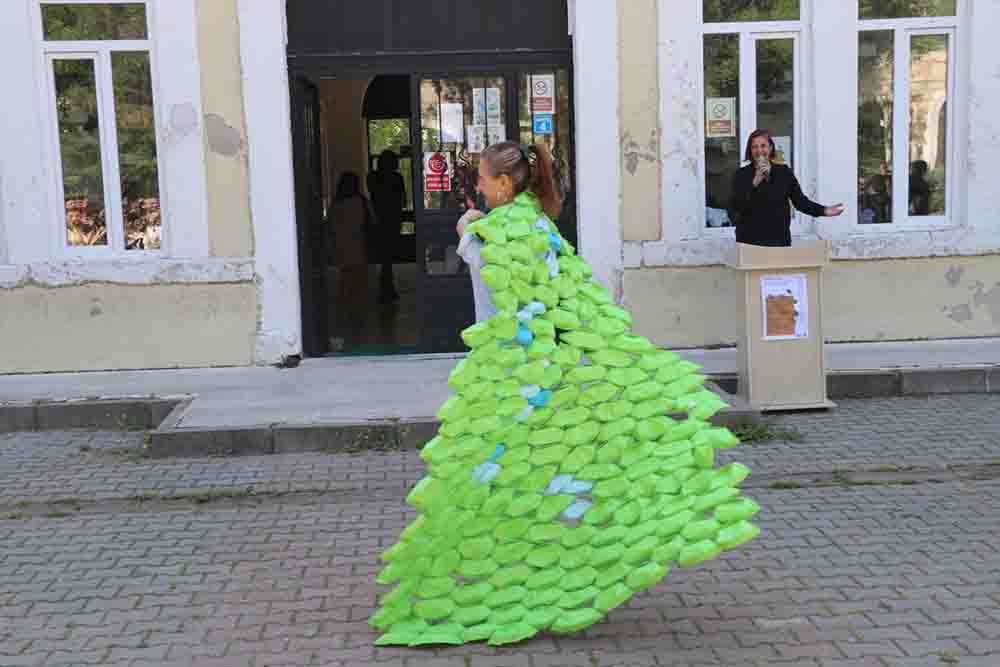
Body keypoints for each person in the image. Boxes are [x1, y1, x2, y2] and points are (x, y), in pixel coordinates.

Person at [372, 142, 759, 646]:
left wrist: (468, 225)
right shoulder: (542, 229)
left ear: (505, 185)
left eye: (485, 182)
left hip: (509, 377)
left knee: (496, 474)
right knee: (551, 471)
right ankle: (576, 554)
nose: (481, 191)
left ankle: (531, 566)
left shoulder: (490, 235)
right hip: (547, 373)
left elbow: (477, 262)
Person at [455, 142, 562, 322]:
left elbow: (495, 273)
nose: (478, 187)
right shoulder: (536, 221)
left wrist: (466, 237)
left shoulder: (527, 226)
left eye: (481, 179)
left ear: (504, 182)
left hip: (514, 344)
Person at [730, 129, 844, 246]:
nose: (759, 150)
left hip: (778, 241)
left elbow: (800, 202)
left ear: (770, 148)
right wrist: (754, 182)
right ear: (750, 150)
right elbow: (736, 207)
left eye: (763, 146)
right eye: (755, 147)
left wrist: (824, 210)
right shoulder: (741, 175)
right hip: (749, 242)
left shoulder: (783, 172)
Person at [329, 173, 372, 345]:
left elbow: (330, 224)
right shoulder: (361, 202)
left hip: (342, 247)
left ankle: (344, 317)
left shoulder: (336, 204)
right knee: (360, 282)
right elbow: (373, 220)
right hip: (359, 245)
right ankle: (358, 317)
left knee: (345, 283)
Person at [367, 149, 405, 303]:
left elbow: (372, 196)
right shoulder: (397, 178)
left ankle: (386, 288)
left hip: (378, 220)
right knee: (388, 256)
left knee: (384, 256)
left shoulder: (372, 177)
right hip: (393, 219)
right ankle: (387, 288)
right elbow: (403, 199)